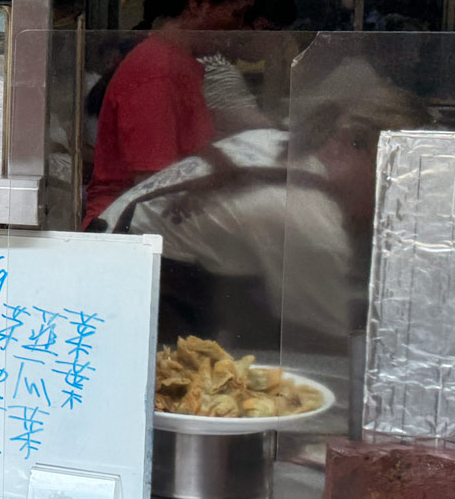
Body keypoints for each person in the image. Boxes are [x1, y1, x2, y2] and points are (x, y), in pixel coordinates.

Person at [93, 86, 428, 349]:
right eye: (398, 180)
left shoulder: (274, 142)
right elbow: (327, 344)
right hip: (119, 299)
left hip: (112, 252)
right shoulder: (309, 220)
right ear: (352, 144)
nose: (396, 201)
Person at [83, 0, 259, 227]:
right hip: (127, 230)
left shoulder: (181, 66)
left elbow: (192, 156)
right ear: (199, 2)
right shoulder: (156, 70)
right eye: (236, 15)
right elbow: (155, 188)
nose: (238, 29)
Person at [199, 0, 298, 135]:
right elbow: (261, 127)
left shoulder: (220, 63)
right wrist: (274, 65)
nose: (277, 42)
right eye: (269, 31)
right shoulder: (214, 68)